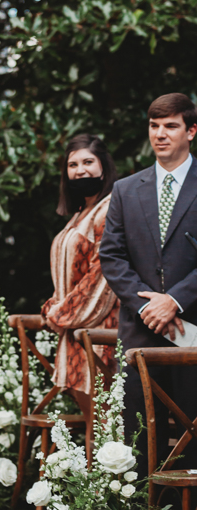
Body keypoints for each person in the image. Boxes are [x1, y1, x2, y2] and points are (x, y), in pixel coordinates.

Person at [99, 92, 197, 473]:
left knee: (193, 430)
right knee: (139, 437)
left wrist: (173, 300)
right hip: (140, 330)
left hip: (192, 329)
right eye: (154, 126)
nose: (160, 134)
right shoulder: (126, 189)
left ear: (191, 130)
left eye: (170, 126)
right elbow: (112, 255)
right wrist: (145, 305)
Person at [41, 134, 119, 395]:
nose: (80, 170)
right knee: (92, 428)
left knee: (105, 424)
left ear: (103, 166)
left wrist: (60, 314)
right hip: (74, 331)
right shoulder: (79, 214)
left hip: (98, 331)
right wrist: (58, 307)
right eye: (72, 165)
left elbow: (102, 274)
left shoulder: (110, 209)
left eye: (88, 161)